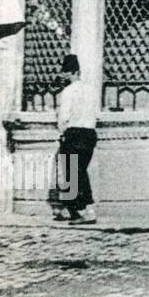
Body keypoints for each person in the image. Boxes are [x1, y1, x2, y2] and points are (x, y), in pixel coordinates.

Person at [49, 54, 98, 225]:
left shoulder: (68, 92)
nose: (66, 75)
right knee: (79, 172)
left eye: (67, 73)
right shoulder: (91, 90)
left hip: (74, 134)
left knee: (72, 174)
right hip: (90, 134)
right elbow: (95, 114)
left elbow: (63, 117)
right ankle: (73, 210)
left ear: (73, 73)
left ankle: (84, 211)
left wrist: (62, 132)